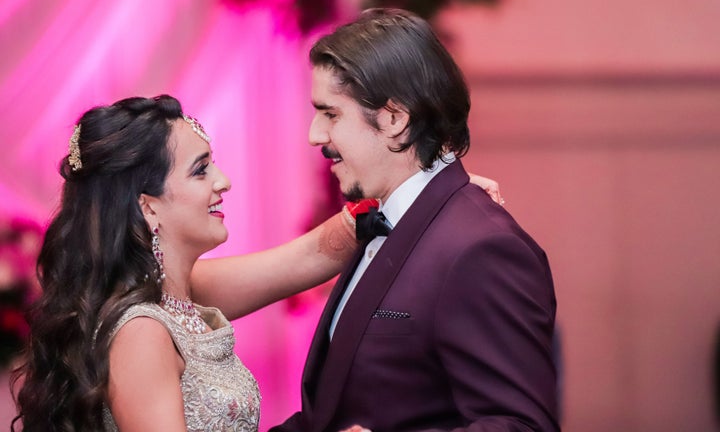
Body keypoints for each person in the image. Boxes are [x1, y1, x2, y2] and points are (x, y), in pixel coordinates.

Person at [11, 94, 501, 431]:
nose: (223, 182)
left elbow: (312, 253)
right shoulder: (143, 329)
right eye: (202, 170)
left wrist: (422, 197)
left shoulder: (178, 296)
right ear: (148, 205)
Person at [267, 8, 559, 432]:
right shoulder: (386, 222)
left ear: (394, 119)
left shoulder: (481, 248)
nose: (315, 135)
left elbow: (522, 425)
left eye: (331, 114)